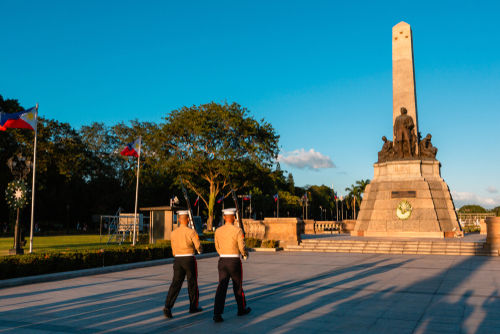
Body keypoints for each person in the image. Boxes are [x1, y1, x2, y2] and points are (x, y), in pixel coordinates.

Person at [213, 208, 251, 323]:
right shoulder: (238, 231)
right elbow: (242, 247)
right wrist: (244, 254)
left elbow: (217, 246)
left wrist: (223, 253)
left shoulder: (218, 231)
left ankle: (217, 314)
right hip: (234, 261)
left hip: (223, 260)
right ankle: (241, 309)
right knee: (237, 287)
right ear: (234, 218)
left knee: (221, 287)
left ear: (224, 217)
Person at [163, 210, 203, 319]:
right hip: (189, 258)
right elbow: (198, 245)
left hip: (177, 260)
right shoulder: (191, 232)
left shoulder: (173, 232)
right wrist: (200, 250)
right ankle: (193, 306)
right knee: (192, 283)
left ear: (179, 220)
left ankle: (168, 307)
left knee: (175, 284)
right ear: (188, 220)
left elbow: (173, 248)